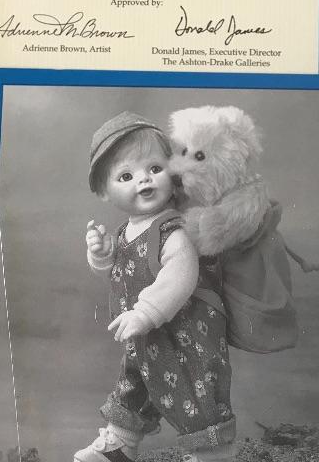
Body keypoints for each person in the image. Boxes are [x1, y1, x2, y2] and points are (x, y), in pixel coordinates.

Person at [75, 112, 235, 462]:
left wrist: (146, 312)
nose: (144, 180)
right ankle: (120, 444)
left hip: (187, 332)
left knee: (195, 389)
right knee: (135, 382)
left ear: (172, 173)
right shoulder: (125, 231)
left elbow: (180, 275)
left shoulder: (173, 230)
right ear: (104, 191)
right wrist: (101, 255)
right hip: (148, 331)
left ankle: (213, 453)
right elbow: (120, 272)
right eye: (126, 176)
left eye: (154, 168)